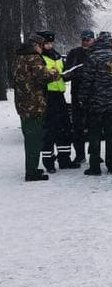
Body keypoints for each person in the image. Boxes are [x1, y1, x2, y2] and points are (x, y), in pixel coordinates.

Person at [79, 31, 112, 176]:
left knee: (94, 135)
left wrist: (83, 99)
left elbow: (86, 81)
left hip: (95, 105)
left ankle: (95, 166)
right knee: (110, 135)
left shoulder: (93, 58)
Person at [12, 33, 59, 181]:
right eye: (41, 45)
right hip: (34, 104)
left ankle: (32, 168)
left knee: (29, 137)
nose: (42, 48)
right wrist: (54, 73)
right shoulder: (34, 59)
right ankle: (31, 172)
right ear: (36, 45)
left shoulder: (19, 58)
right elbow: (43, 77)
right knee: (34, 139)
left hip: (22, 104)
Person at [38, 30, 81, 172]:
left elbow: (63, 71)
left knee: (65, 129)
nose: (49, 45)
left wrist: (69, 74)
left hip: (59, 96)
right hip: (46, 96)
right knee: (49, 131)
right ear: (42, 44)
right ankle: (49, 163)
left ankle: (64, 160)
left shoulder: (56, 56)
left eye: (51, 43)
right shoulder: (39, 57)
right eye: (47, 43)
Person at [64, 29, 95, 163]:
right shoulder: (74, 53)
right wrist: (77, 71)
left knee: (94, 128)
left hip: (94, 96)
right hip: (77, 95)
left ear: (93, 40)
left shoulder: (97, 53)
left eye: (88, 39)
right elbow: (66, 73)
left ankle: (95, 155)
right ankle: (80, 154)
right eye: (84, 39)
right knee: (77, 128)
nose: (86, 42)